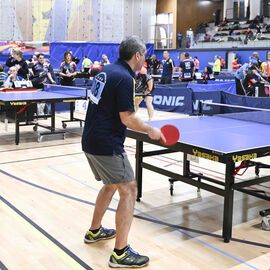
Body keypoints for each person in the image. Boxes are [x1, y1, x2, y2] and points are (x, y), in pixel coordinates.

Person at [82, 36, 164, 268]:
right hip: (106, 143)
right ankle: (120, 253)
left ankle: (95, 231)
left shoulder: (105, 71)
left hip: (91, 140)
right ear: (137, 55)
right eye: (144, 57)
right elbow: (127, 118)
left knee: (110, 185)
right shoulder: (125, 78)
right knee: (129, 189)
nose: (144, 61)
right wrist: (150, 130)